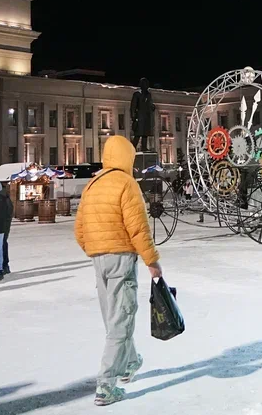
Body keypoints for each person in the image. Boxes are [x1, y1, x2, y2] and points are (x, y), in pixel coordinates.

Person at [74, 135, 161, 406]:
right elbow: (138, 228)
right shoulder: (127, 184)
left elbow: (78, 230)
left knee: (115, 319)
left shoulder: (93, 184)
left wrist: (95, 247)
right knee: (121, 321)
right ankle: (106, 386)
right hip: (121, 258)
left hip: (98, 260)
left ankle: (129, 362)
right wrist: (152, 261)